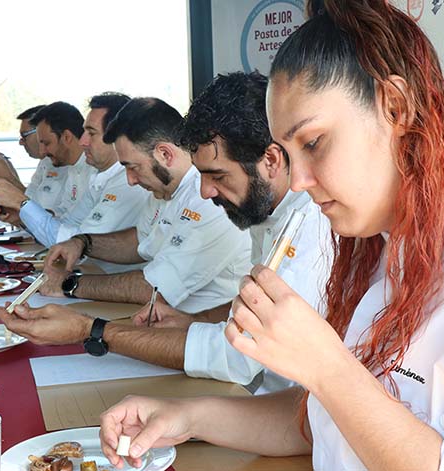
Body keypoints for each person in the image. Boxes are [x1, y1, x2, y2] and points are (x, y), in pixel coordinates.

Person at [94, 2, 444, 470]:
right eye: (287, 152)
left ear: (395, 106)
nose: (299, 181)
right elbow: (324, 422)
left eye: (314, 143)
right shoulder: (382, 242)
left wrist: (328, 366)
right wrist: (185, 416)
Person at [128, 71, 331, 393]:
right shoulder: (264, 206)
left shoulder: (313, 227)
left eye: (218, 176)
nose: (207, 192)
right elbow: (255, 310)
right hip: (264, 401)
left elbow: (239, 356)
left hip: (291, 418)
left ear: (271, 160)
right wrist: (192, 320)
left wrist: (97, 333)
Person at [0, 97, 251, 343]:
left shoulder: (208, 200)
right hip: (160, 325)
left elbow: (153, 287)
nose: (130, 180)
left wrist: (69, 284)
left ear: (165, 154)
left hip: (208, 342)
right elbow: (139, 239)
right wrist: (83, 242)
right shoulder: (164, 187)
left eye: (133, 167)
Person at [4, 93, 149, 250]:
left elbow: (74, 244)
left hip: (101, 272)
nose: (82, 141)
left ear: (117, 136)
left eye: (91, 133)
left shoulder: (128, 182)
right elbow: (66, 227)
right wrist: (23, 217)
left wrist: (22, 204)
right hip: (88, 270)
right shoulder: (99, 177)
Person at [0, 101, 96, 223]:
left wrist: (11, 185)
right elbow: (61, 217)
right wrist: (19, 215)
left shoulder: (95, 169)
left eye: (46, 143)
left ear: (67, 137)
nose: (42, 152)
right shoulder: (73, 168)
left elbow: (77, 229)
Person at [0, 104, 45, 195]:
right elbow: (30, 199)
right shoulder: (45, 164)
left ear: (41, 132)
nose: (21, 142)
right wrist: (10, 173)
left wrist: (8, 178)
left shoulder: (64, 167)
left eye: (24, 136)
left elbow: (36, 207)